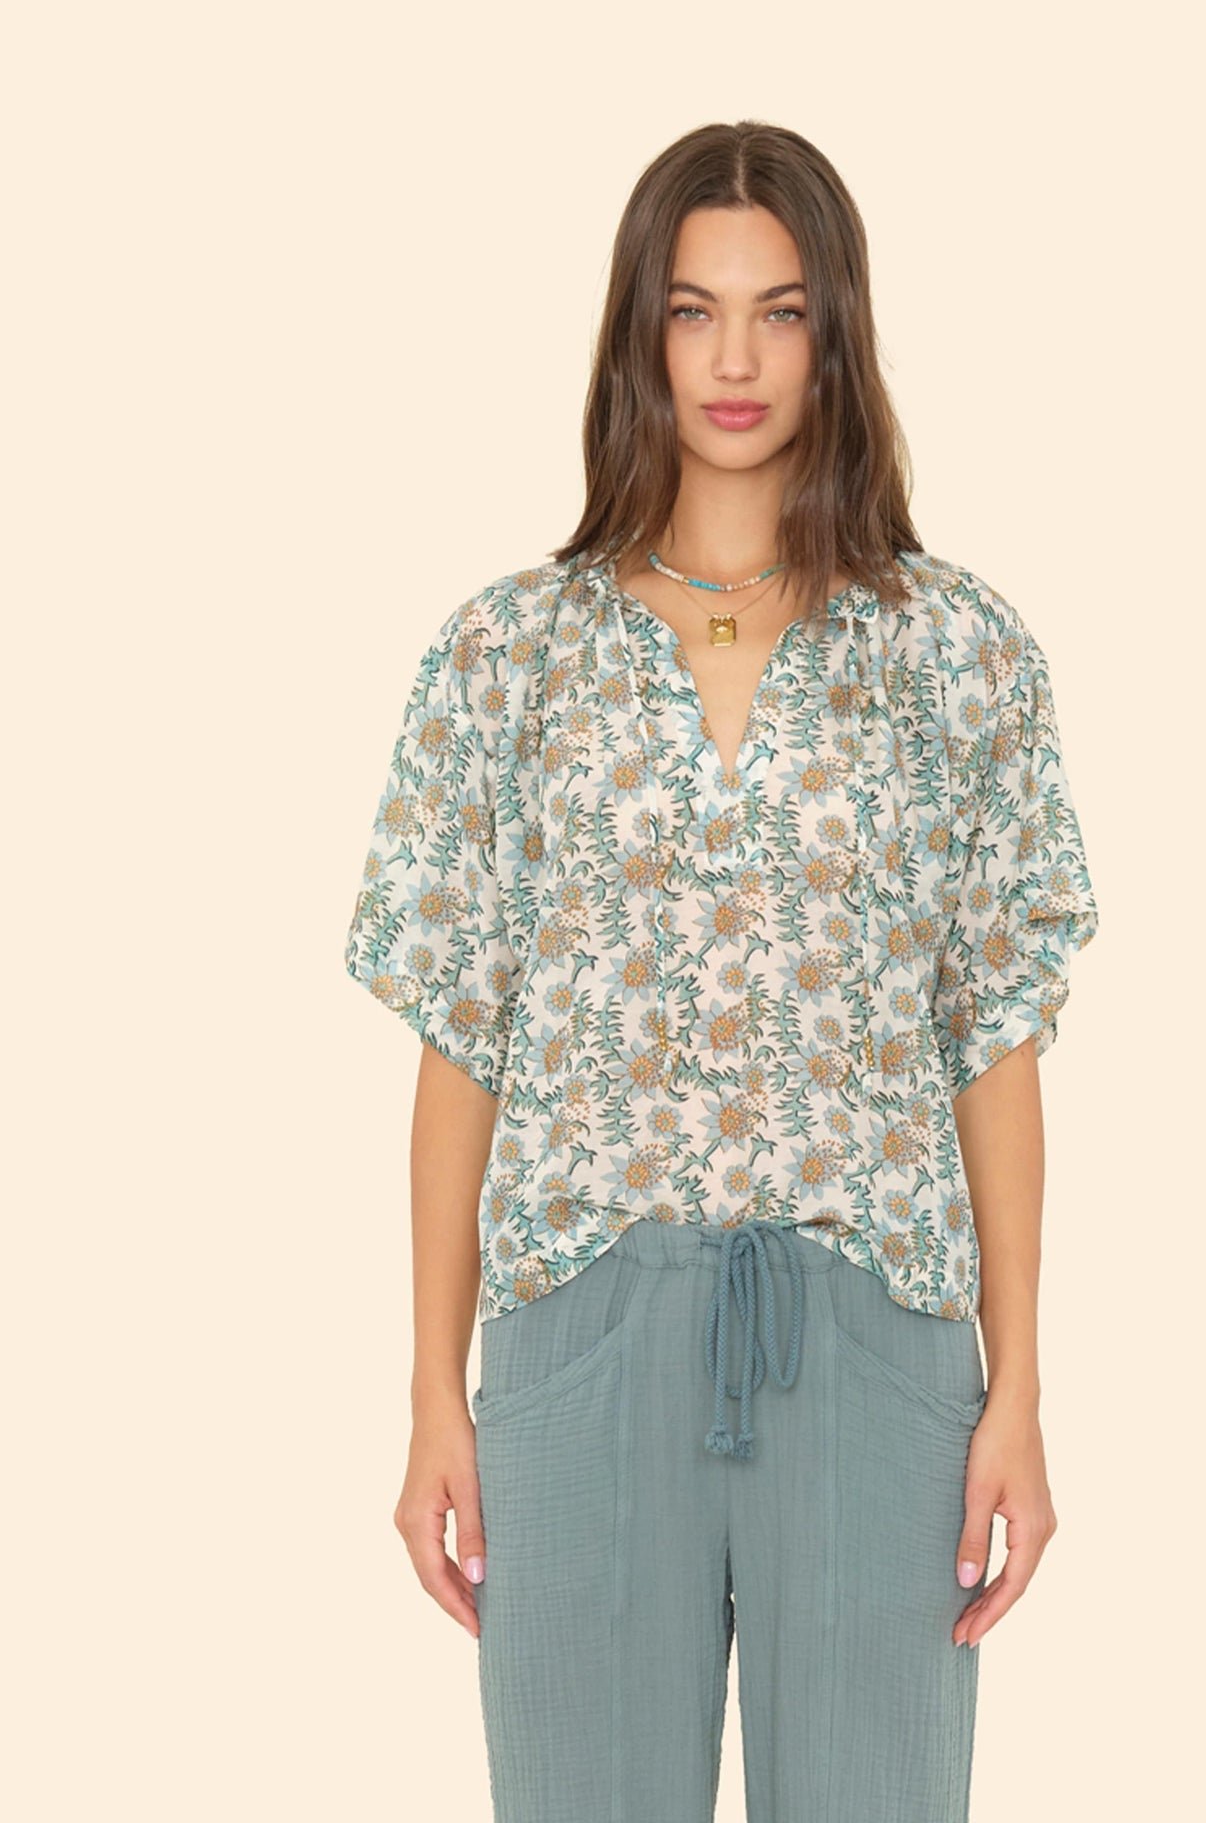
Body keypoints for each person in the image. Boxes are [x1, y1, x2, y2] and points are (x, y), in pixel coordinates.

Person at [342, 119, 1099, 1823]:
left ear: (839, 334)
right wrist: (434, 1398)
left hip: (879, 1336)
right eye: (695, 312)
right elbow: (462, 1036)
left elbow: (995, 1034)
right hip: (582, 1333)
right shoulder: (508, 655)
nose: (737, 360)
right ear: (643, 334)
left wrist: (1020, 1393)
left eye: (781, 312)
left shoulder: (957, 653)